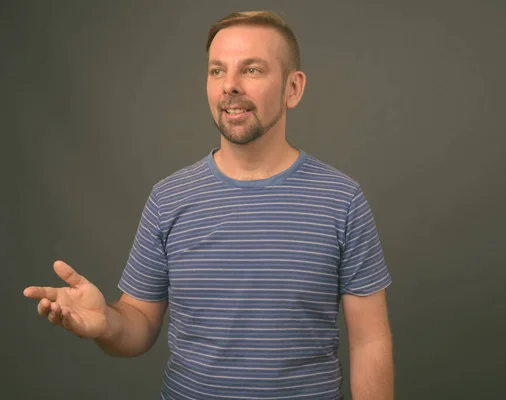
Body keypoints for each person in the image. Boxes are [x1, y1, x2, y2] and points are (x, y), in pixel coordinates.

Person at [23, 10, 394, 399]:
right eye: (217, 71)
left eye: (252, 70)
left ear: (293, 88)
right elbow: (139, 325)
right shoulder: (168, 198)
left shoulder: (342, 200)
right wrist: (107, 324)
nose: (229, 86)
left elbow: (370, 342)